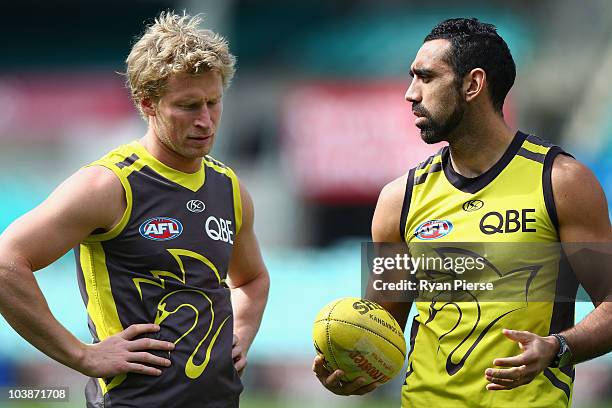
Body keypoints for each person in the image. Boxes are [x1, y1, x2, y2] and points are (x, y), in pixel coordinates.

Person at [313, 17, 612, 407]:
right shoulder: (399, 199)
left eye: (426, 77)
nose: (410, 94)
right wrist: (353, 371)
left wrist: (558, 348)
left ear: (473, 84)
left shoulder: (560, 182)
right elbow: (381, 335)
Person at [0, 11, 269, 408]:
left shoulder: (228, 187)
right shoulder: (108, 185)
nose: (206, 120)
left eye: (213, 102)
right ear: (148, 104)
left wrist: (241, 334)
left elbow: (251, 280)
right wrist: (82, 354)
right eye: (188, 106)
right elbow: (7, 263)